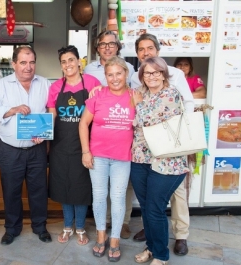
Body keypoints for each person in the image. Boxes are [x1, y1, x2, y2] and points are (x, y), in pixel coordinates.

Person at [130, 33, 192, 256]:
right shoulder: (140, 89)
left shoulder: (172, 88)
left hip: (167, 158)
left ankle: (171, 245)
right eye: (147, 73)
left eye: (156, 72)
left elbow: (151, 118)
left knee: (160, 205)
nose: (152, 76)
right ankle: (153, 245)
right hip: (143, 157)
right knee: (149, 208)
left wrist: (138, 108)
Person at [0, 46, 51, 246]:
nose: (28, 67)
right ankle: (12, 229)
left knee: (38, 190)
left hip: (37, 149)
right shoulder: (2, 85)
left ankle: (40, 227)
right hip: (9, 149)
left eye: (31, 62)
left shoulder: (45, 84)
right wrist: (11, 110)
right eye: (23, 62)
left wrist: (46, 132)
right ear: (14, 64)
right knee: (11, 191)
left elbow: (51, 110)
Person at [79, 56, 135, 261]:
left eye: (118, 73)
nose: (115, 78)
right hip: (99, 156)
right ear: (105, 76)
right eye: (110, 75)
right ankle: (101, 235)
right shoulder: (98, 95)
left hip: (122, 157)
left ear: (126, 74)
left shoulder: (134, 96)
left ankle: (115, 239)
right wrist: (86, 151)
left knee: (118, 197)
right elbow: (84, 123)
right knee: (100, 196)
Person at [47, 45, 100, 245]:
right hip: (60, 146)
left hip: (85, 146)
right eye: (63, 62)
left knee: (81, 189)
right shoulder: (55, 87)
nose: (68, 64)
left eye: (71, 60)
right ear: (60, 66)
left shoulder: (92, 83)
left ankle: (80, 228)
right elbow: (52, 115)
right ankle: (67, 226)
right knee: (64, 188)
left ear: (79, 62)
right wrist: (41, 133)